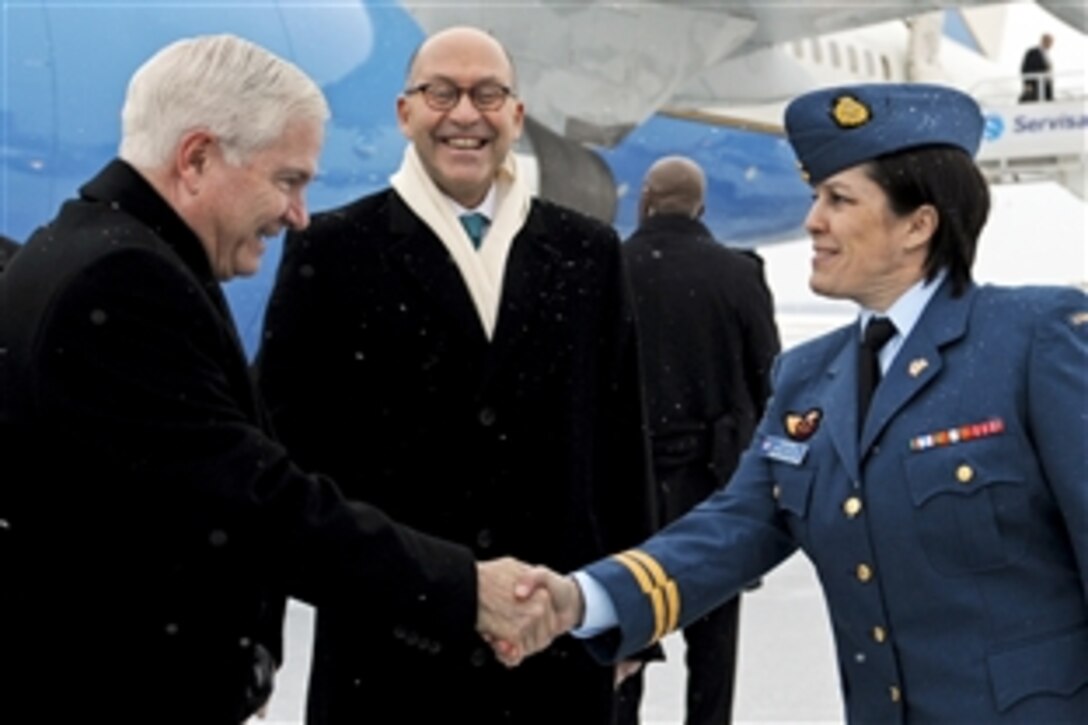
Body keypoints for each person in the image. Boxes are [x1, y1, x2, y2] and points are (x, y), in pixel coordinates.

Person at [0, 34, 558, 725]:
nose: (297, 214)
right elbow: (254, 503)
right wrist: (466, 587)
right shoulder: (125, 282)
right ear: (197, 158)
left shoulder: (80, 249)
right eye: (288, 179)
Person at [518, 83, 1088, 722]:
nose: (812, 219)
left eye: (839, 199)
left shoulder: (1034, 341)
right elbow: (735, 527)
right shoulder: (809, 379)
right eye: (818, 196)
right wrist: (581, 597)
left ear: (918, 225)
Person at [255, 24, 657, 725]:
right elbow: (285, 453)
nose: (465, 114)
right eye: (441, 92)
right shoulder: (332, 250)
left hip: (550, 647)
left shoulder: (588, 252)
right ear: (405, 112)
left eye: (488, 94)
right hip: (389, 650)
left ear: (517, 115)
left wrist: (632, 613)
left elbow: (622, 444)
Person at [616, 156, 780, 725]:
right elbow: (769, 382)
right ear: (701, 206)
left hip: (626, 490)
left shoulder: (612, 270)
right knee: (713, 653)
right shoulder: (737, 275)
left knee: (622, 647)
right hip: (715, 486)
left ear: (644, 200)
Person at [1019, 33, 1055, 102]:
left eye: (1051, 42)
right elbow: (1025, 68)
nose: (1050, 44)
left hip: (1046, 88)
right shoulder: (1032, 52)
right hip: (1035, 86)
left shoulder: (1047, 55)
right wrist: (1027, 84)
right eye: (1048, 41)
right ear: (1043, 41)